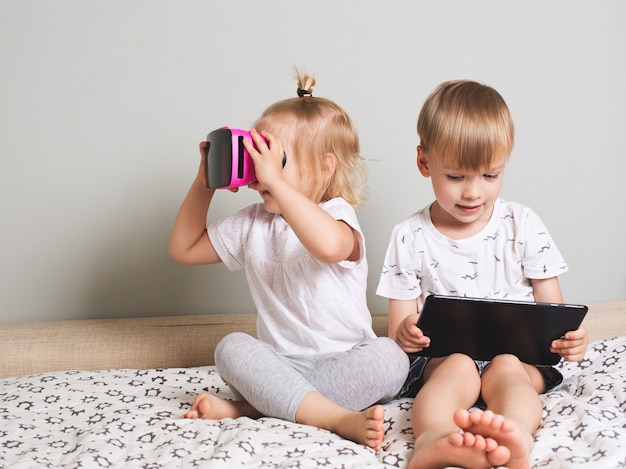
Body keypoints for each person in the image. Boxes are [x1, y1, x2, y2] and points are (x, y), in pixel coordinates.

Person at [169, 71, 409, 451]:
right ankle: (334, 417)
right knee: (230, 347)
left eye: (274, 160)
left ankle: (251, 409)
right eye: (256, 158)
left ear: (325, 168)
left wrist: (276, 183)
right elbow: (184, 249)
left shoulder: (338, 215)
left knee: (391, 358)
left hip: (347, 362)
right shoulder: (252, 223)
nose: (261, 171)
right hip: (279, 366)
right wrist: (203, 185)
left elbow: (329, 247)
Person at [376, 80, 588, 469]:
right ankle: (434, 438)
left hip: (520, 360)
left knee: (507, 366)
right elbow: (398, 333)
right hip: (443, 360)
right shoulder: (409, 236)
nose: (474, 192)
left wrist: (570, 340)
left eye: (490, 176)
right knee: (456, 364)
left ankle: (514, 434)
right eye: (456, 177)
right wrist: (407, 332)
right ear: (425, 163)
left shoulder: (522, 223)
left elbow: (553, 315)